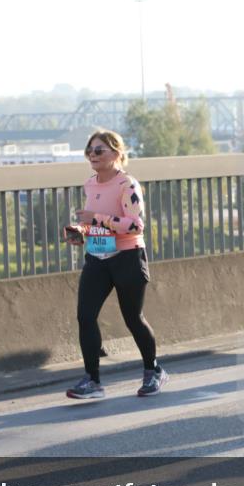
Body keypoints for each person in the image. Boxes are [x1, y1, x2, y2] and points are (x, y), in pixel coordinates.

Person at [64, 128, 167, 399]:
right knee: (85, 316)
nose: (93, 155)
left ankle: (153, 370)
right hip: (97, 257)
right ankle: (92, 380)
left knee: (133, 318)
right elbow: (97, 222)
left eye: (99, 150)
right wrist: (82, 231)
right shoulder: (90, 183)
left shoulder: (127, 185)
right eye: (89, 150)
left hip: (127, 257)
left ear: (117, 154)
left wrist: (95, 218)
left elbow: (135, 225)